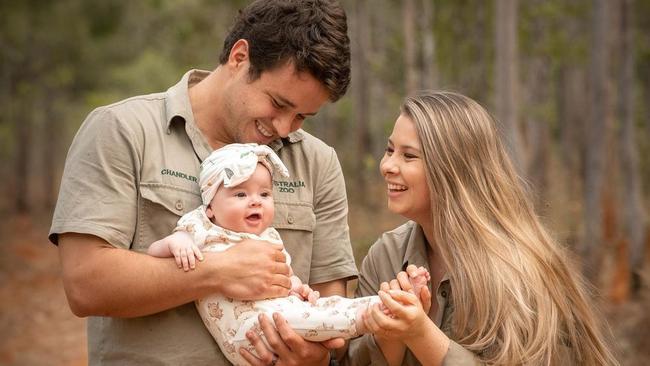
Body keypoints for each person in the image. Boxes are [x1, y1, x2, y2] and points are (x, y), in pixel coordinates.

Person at [49, 1, 359, 365]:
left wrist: (313, 356)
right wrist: (217, 271)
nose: (283, 128)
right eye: (277, 103)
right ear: (240, 57)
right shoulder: (123, 131)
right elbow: (86, 284)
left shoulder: (318, 163)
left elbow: (332, 309)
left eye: (302, 116)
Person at [343, 91, 619, 365]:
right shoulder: (386, 256)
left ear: (451, 168)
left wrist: (420, 335)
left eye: (409, 156)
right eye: (390, 150)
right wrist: (391, 334)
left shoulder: (519, 270)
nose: (387, 166)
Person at [147, 143, 431, 366]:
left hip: (276, 317)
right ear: (210, 205)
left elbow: (284, 277)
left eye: (264, 194)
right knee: (306, 319)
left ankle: (391, 302)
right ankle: (372, 317)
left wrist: (298, 288)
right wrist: (178, 241)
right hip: (245, 332)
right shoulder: (200, 226)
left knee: (323, 306)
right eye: (240, 195)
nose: (255, 201)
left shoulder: (269, 236)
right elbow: (154, 251)